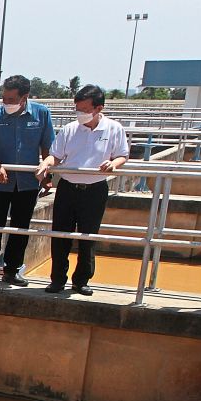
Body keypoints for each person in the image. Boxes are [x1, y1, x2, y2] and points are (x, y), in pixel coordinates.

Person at [35, 84, 129, 296]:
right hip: (68, 187)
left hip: (95, 189)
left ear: (98, 108)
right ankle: (57, 279)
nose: (80, 114)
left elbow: (123, 154)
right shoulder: (70, 129)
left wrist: (114, 164)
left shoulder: (114, 129)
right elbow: (55, 155)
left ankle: (82, 280)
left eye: (84, 110)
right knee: (60, 235)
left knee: (88, 237)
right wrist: (47, 163)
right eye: (77, 109)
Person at [0, 75, 54, 287]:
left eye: (11, 99)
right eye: (5, 98)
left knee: (21, 229)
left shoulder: (41, 114)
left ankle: (12, 270)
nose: (7, 103)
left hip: (27, 183)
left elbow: (48, 147)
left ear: (24, 97)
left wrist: (47, 176)